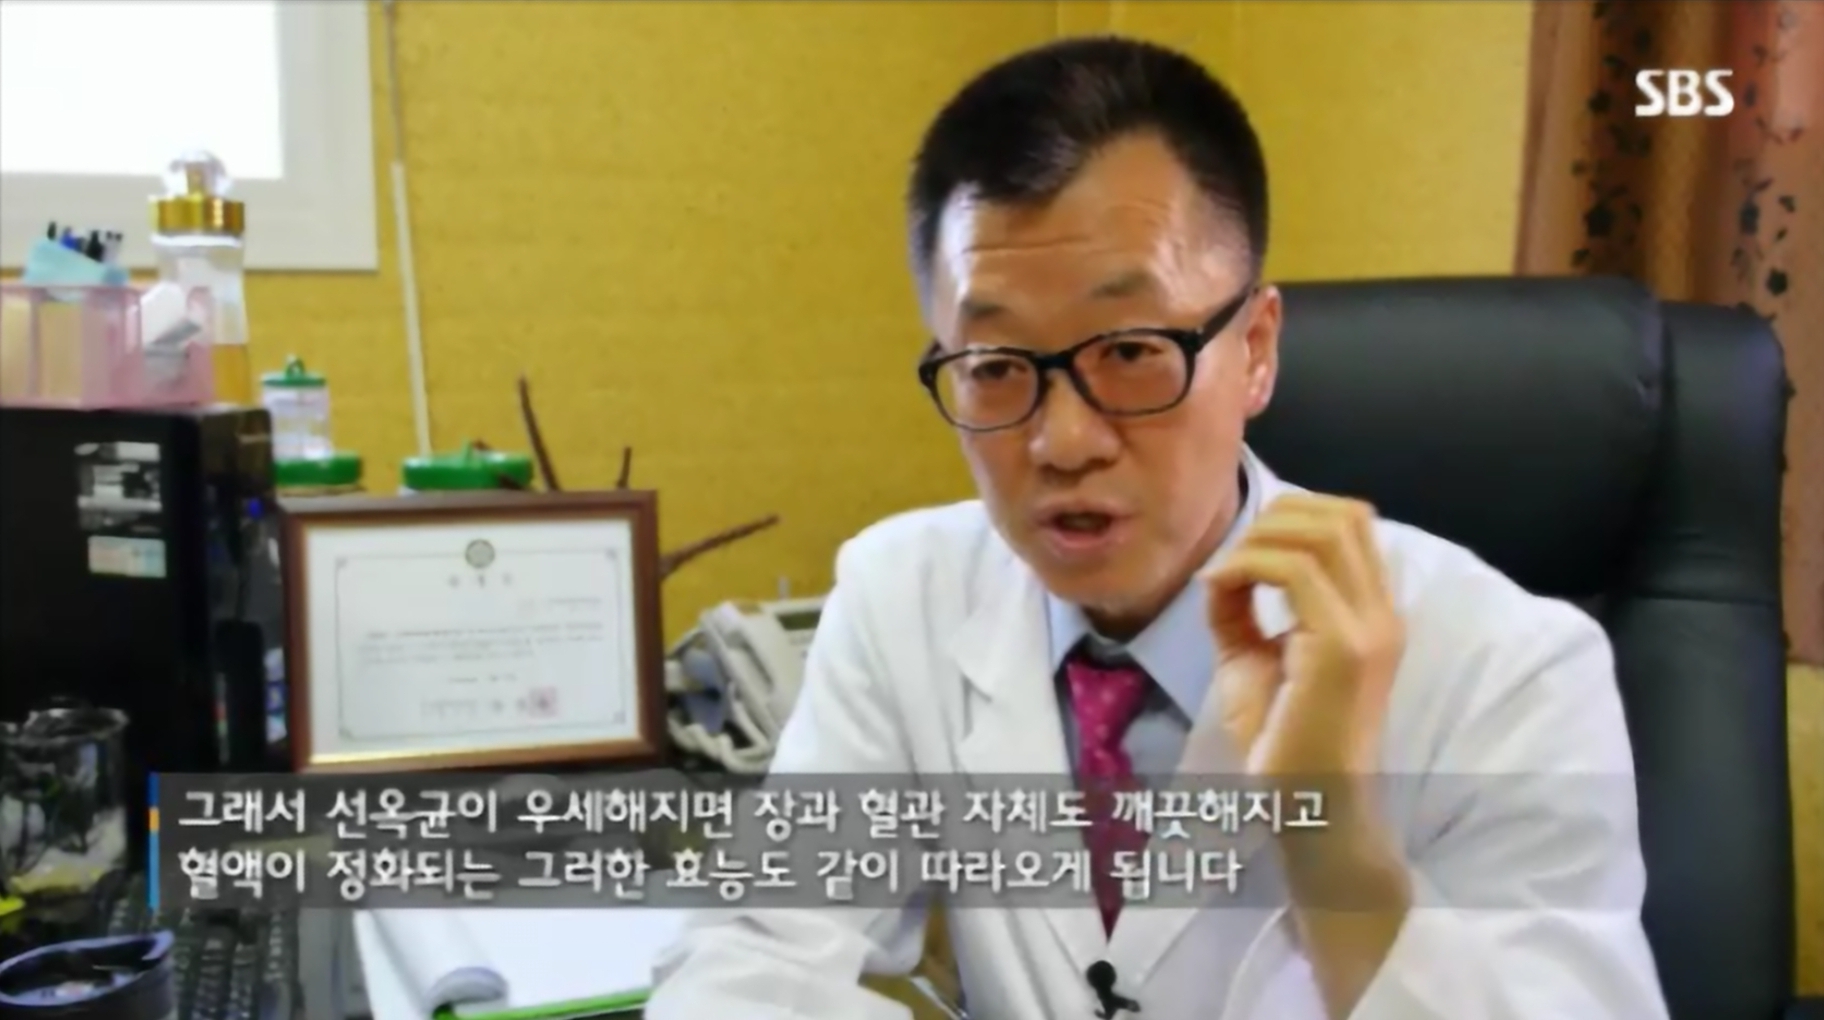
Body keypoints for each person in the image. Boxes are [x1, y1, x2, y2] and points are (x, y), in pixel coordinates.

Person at [645, 36, 1669, 1020]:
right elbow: (757, 952)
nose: (1064, 441)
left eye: (1131, 350)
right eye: (995, 367)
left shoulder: (1510, 668)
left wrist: (1335, 841)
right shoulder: (900, 595)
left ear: (1256, 349)